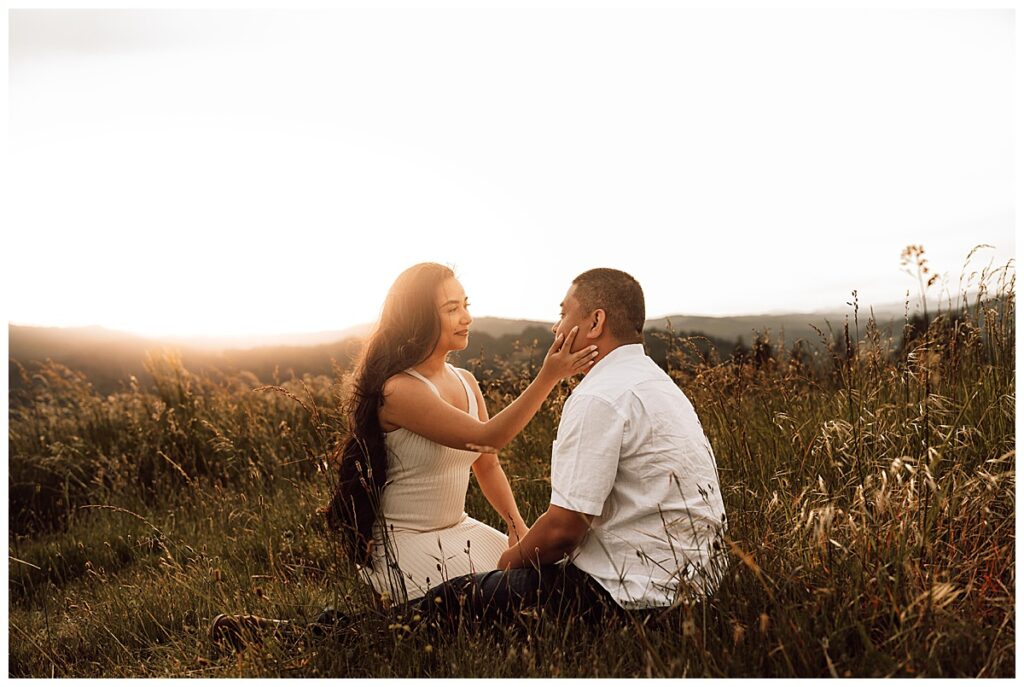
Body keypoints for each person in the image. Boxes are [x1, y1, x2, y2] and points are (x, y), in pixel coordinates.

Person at [211, 267, 725, 649]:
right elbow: (499, 454)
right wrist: (520, 558)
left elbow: (563, 527)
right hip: (688, 589)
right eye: (452, 306)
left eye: (563, 312)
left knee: (456, 604)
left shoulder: (596, 397)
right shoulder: (659, 385)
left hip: (628, 594)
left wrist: (515, 554)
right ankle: (305, 638)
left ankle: (309, 638)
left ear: (594, 321)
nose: (554, 326)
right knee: (454, 604)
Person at [325, 262, 598, 605]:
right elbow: (487, 437)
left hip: (461, 530)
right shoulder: (399, 390)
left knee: (543, 580)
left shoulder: (466, 381)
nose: (467, 317)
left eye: (466, 305)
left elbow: (487, 464)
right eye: (452, 309)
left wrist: (516, 526)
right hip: (405, 542)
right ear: (417, 317)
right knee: (489, 603)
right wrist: (548, 377)